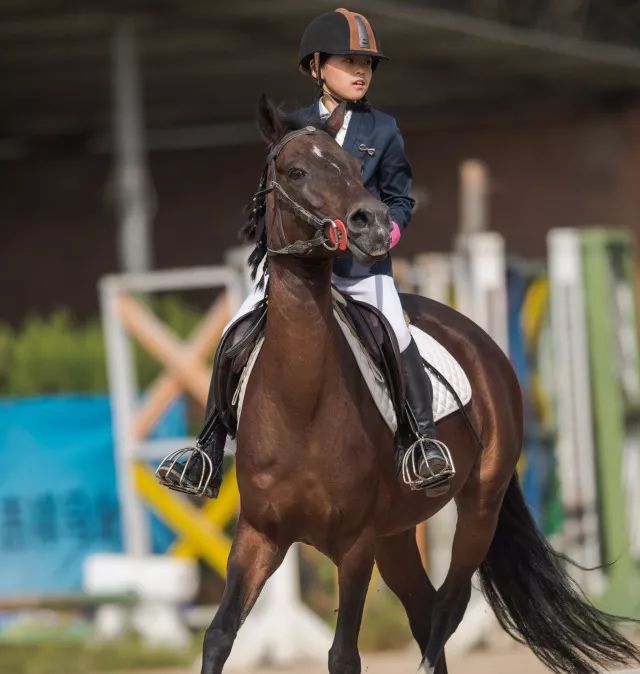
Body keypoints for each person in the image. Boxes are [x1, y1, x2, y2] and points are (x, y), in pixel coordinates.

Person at [157, 7, 455, 498]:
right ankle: (207, 450)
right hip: (298, 271)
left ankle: (419, 443)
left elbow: (400, 197)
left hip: (360, 270)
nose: (361, 72)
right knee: (234, 334)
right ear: (316, 66)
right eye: (348, 61)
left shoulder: (382, 130)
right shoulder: (292, 129)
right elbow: (273, 198)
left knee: (395, 332)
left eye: (368, 64)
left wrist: (390, 233)